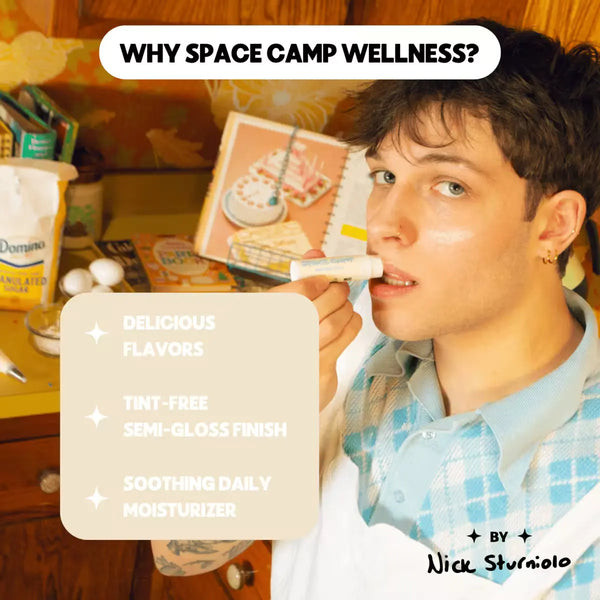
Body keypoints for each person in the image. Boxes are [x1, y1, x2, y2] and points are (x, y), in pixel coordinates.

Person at [152, 18, 600, 598]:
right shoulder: (342, 337)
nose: (383, 222)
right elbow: (177, 555)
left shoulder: (583, 491)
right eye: (385, 175)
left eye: (450, 186)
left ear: (553, 225)